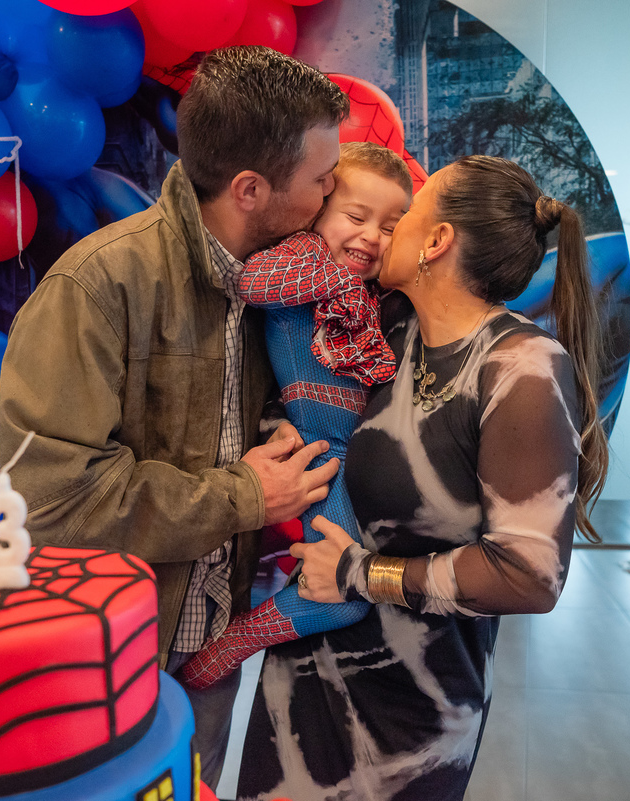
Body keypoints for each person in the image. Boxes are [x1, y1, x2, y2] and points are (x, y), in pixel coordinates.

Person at [0, 46, 349, 788]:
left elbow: (223, 423)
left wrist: (281, 428)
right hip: (112, 662)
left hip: (209, 644)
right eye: (321, 182)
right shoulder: (97, 284)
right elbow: (55, 501)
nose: (330, 196)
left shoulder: (274, 284)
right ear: (251, 188)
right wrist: (245, 496)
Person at [235, 155, 610, 801]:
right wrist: (282, 433)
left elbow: (529, 574)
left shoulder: (520, 367)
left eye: (406, 214)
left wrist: (359, 574)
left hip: (411, 716)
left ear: (436, 241)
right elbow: (322, 407)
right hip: (300, 676)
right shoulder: (391, 327)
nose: (386, 232)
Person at [179, 142, 413, 689]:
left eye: (390, 226)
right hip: (324, 456)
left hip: (358, 456)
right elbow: (253, 283)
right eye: (356, 217)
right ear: (319, 210)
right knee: (344, 603)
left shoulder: (371, 291)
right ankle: (232, 645)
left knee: (352, 578)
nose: (371, 236)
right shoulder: (307, 258)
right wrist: (337, 280)